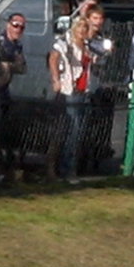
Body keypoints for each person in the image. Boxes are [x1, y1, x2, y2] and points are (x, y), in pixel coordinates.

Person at [49, 16, 97, 180]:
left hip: (84, 91)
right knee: (72, 130)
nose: (82, 30)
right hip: (70, 91)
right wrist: (56, 79)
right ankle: (66, 168)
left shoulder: (87, 46)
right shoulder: (66, 43)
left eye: (85, 27)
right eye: (80, 27)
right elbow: (53, 58)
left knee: (79, 131)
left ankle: (72, 166)